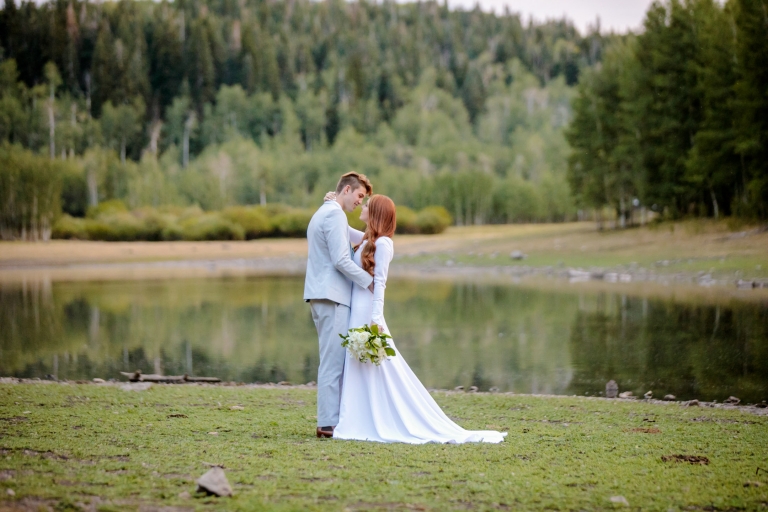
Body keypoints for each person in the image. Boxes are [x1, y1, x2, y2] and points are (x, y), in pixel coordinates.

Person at [324, 192, 507, 444]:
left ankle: (378, 418)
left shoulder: (384, 244)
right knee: (362, 364)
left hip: (367, 312)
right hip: (357, 309)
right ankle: (358, 416)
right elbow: (341, 229)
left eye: (367, 205)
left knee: (378, 365)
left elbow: (380, 283)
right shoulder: (368, 239)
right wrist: (332, 205)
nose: (362, 207)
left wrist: (376, 318)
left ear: (375, 213)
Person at [304, 172, 374, 439]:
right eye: (359, 196)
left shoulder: (326, 212)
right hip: (332, 296)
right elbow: (341, 260)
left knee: (332, 360)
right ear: (347, 189)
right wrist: (368, 281)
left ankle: (331, 420)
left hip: (323, 295)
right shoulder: (334, 215)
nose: (359, 202)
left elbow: (362, 238)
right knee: (333, 362)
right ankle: (327, 424)